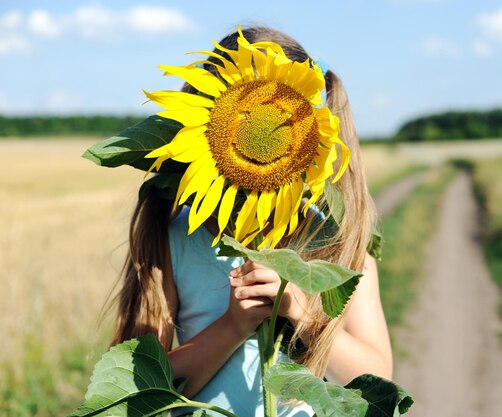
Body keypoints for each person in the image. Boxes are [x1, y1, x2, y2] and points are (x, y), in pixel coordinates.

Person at [108, 26, 392, 417]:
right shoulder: (176, 239)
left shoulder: (337, 238)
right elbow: (134, 390)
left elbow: (377, 379)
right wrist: (232, 327)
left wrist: (300, 311)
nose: (261, 138)